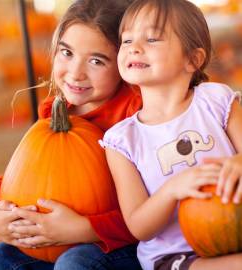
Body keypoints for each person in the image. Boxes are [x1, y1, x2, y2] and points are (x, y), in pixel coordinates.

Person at [0, 0, 143, 269]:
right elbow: (16, 175)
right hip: (56, 241)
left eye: (96, 61)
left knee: (73, 263)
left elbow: (154, 209)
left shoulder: (136, 116)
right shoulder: (55, 112)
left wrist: (84, 229)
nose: (76, 73)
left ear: (124, 63)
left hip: (125, 245)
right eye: (67, 53)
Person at [100, 0, 242, 270]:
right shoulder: (122, 140)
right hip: (176, 257)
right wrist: (172, 190)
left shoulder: (216, 101)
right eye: (127, 40)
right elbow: (139, 226)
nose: (134, 47)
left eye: (152, 38)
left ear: (192, 59)